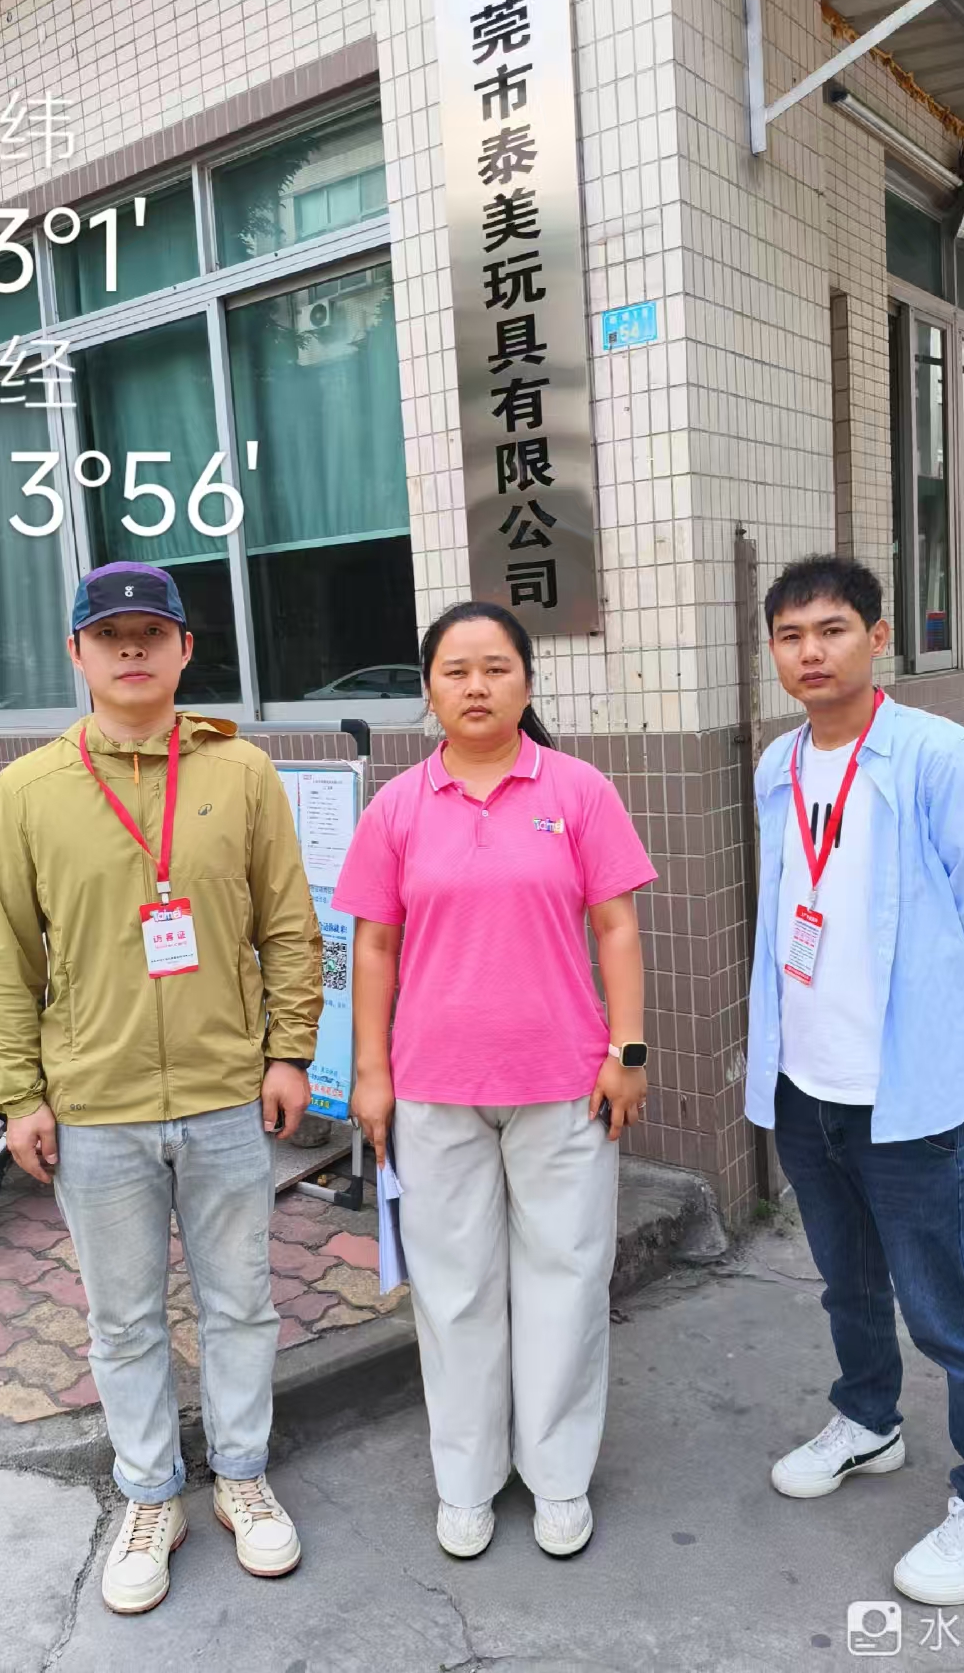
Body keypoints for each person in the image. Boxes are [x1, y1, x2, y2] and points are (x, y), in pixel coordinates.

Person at [0, 561, 323, 1616]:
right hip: (96, 1106)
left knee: (241, 1304)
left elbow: (288, 925)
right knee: (122, 1320)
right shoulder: (28, 790)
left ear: (183, 650)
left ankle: (241, 1475)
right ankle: (149, 1495)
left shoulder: (241, 772)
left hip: (225, 1094)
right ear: (77, 654)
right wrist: (18, 1094)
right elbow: (5, 957)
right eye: (109, 634)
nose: (131, 649)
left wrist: (290, 1052)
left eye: (151, 633)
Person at [332, 601, 656, 1562]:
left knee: (565, 1282)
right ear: (428, 689)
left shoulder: (579, 790)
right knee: (455, 1292)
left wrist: (628, 1051)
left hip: (565, 1084)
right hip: (433, 1089)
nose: (476, 686)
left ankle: (557, 1477)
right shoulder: (397, 808)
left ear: (526, 681)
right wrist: (370, 1075)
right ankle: (466, 1482)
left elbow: (616, 927)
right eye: (455, 671)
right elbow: (373, 948)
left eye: (496, 668)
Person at [745, 554, 964, 1606]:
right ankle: (868, 1420)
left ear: (878, 638)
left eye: (831, 629)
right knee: (847, 1279)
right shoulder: (778, 764)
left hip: (899, 1086)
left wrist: (928, 1011)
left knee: (949, 1303)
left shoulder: (936, 754)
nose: (810, 652)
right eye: (790, 636)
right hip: (803, 1077)